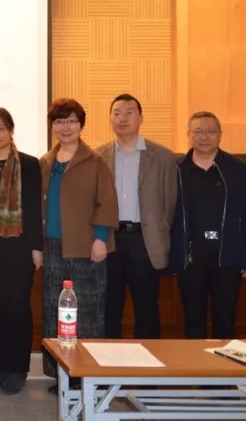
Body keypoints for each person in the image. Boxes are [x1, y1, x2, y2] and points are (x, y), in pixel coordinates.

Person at [40, 98, 118, 392]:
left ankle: (86, 375)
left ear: (81, 124)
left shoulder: (94, 160)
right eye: (59, 121)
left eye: (71, 121)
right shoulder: (46, 161)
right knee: (55, 312)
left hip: (86, 248)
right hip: (53, 246)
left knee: (87, 312)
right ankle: (61, 373)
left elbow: (106, 202)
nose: (65, 127)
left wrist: (100, 238)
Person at [170, 111, 246, 339]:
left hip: (228, 257)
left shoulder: (237, 168)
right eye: (198, 131)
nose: (204, 137)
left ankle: (225, 361)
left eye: (210, 131)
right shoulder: (177, 170)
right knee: (193, 319)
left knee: (225, 319)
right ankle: (194, 361)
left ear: (220, 134)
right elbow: (169, 216)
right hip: (190, 259)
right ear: (189, 135)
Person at [97, 94, 177, 340]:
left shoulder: (162, 156)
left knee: (147, 308)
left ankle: (147, 363)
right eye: (117, 113)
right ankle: (107, 362)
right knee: (109, 308)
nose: (122, 118)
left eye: (129, 112)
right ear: (110, 119)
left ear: (141, 118)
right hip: (109, 240)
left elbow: (169, 203)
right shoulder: (98, 155)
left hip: (145, 240)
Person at [0, 107, 42, 395]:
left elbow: (35, 207)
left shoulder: (28, 164)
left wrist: (37, 246)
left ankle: (19, 369)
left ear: (11, 130)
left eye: (0, 128)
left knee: (17, 307)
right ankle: (2, 366)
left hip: (19, 247)